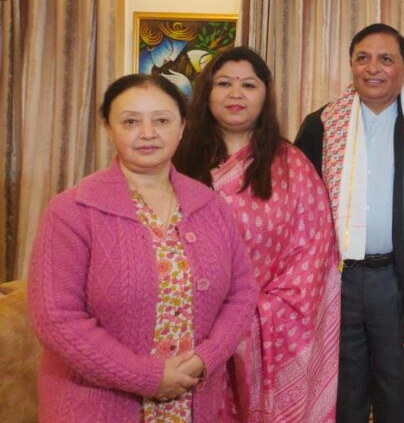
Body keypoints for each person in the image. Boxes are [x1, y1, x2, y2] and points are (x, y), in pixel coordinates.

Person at [28, 74, 258, 422]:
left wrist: (205, 358)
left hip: (193, 402)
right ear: (109, 129)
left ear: (182, 127)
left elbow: (242, 293)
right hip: (97, 407)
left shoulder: (211, 206)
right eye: (131, 121)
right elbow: (56, 319)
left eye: (162, 121)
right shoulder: (72, 211)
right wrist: (146, 377)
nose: (148, 133)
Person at [294, 23, 404, 423]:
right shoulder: (321, 125)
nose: (373, 68)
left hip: (398, 282)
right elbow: (299, 213)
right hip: (337, 283)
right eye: (363, 58)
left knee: (395, 399)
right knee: (341, 398)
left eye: (386, 59)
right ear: (351, 65)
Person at [174, 47, 341, 422]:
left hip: (272, 328)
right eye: (224, 83)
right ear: (207, 93)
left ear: (265, 95)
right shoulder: (176, 160)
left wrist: (252, 316)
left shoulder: (291, 165)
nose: (236, 93)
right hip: (190, 325)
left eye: (248, 85)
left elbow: (314, 253)